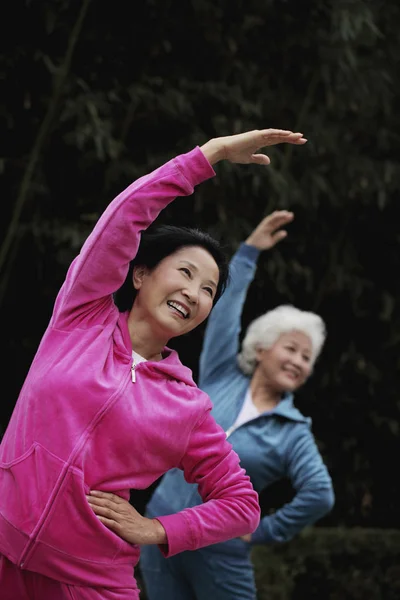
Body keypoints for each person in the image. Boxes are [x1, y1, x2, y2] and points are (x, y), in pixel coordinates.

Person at [0, 128, 307, 600]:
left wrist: (158, 530)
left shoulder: (188, 406)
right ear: (140, 274)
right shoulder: (81, 317)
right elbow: (124, 218)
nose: (194, 292)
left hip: (88, 582)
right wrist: (211, 155)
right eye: (185, 273)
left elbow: (243, 505)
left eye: (208, 290)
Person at [139, 211, 335, 600]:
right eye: (291, 348)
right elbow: (224, 314)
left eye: (307, 358)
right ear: (262, 348)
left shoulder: (293, 430)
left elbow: (320, 493)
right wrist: (247, 255)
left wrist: (262, 531)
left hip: (218, 550)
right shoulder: (221, 375)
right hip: (159, 528)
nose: (298, 361)